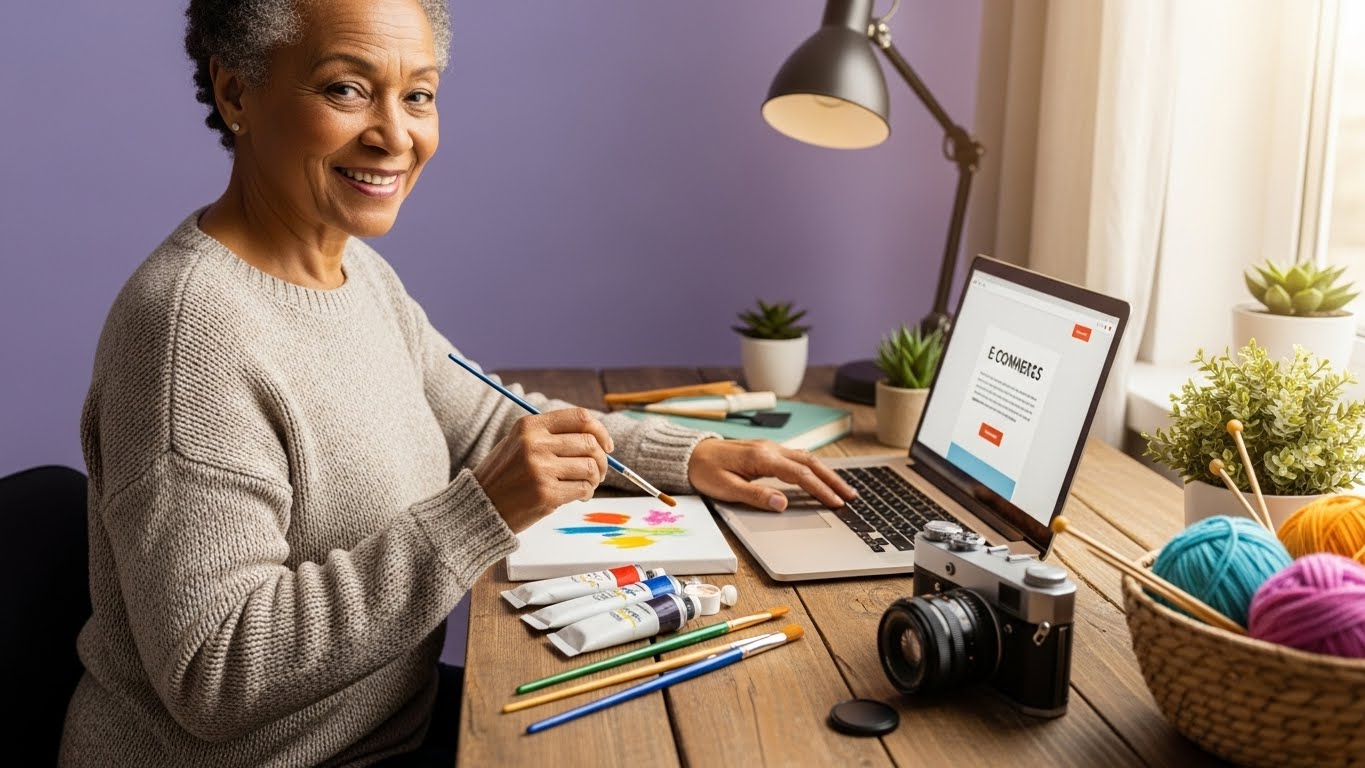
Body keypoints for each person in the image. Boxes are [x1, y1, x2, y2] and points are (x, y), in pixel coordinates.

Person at [59, 1, 857, 765]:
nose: (394, 134)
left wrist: (690, 457)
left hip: (382, 727)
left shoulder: (354, 274)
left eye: (419, 96)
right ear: (237, 89)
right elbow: (216, 671)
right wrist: (479, 514)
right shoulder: (185, 335)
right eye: (346, 89)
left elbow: (493, 423)